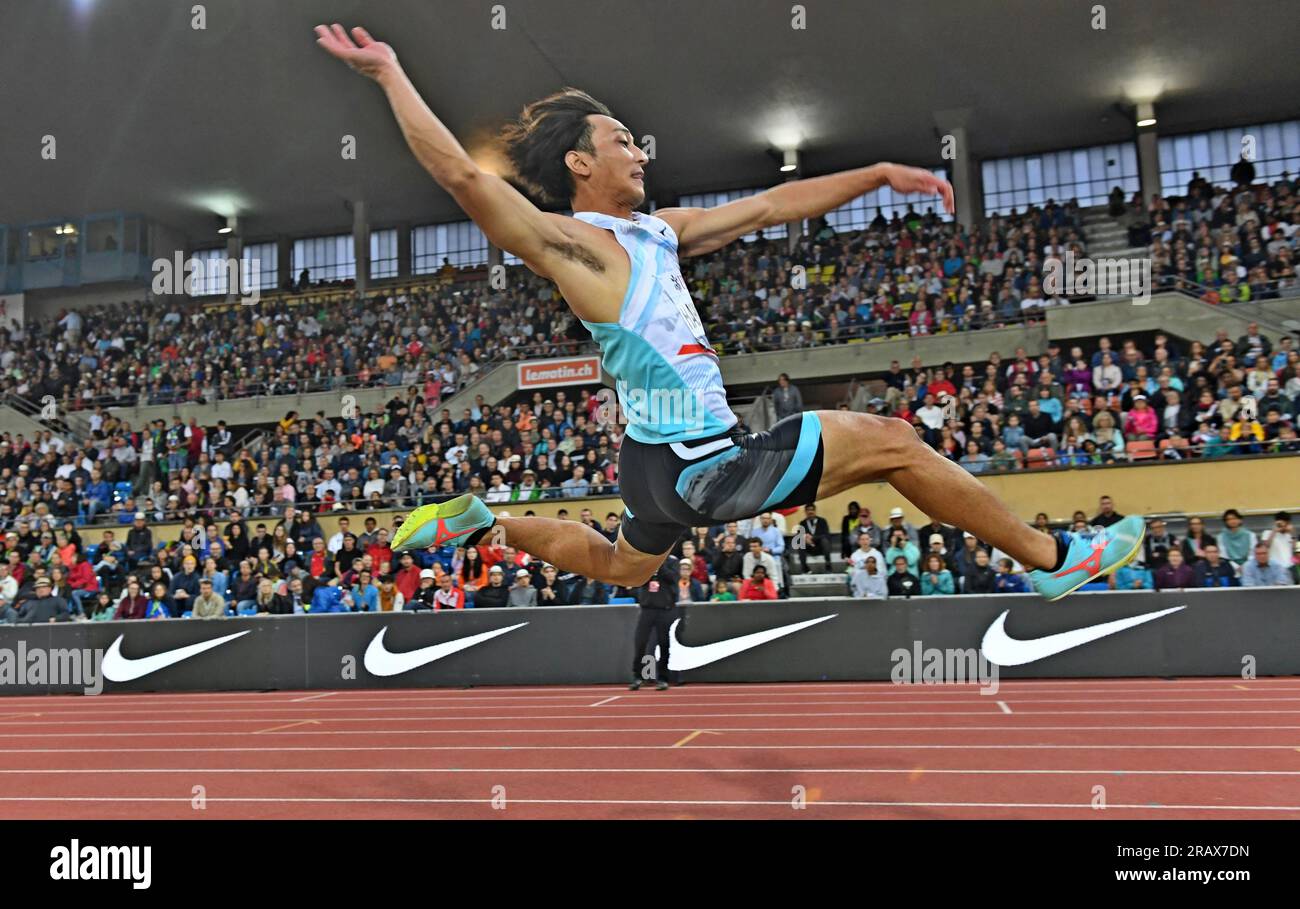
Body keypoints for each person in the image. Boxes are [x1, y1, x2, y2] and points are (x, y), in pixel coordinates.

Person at [320, 23, 1145, 604]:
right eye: (623, 142)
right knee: (895, 442)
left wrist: (879, 173)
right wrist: (393, 73)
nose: (641, 150)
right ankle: (1051, 557)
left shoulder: (658, 233)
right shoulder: (579, 246)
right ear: (580, 162)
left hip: (654, 461)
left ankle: (481, 524)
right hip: (697, 462)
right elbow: (467, 182)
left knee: (622, 568)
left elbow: (768, 205)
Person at [628, 557, 679, 691]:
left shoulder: (672, 562)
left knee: (664, 644)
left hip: (664, 609)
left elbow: (673, 578)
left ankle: (663, 678)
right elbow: (637, 581)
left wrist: (660, 565)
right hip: (647, 609)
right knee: (640, 642)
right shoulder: (645, 561)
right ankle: (637, 676)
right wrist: (649, 566)